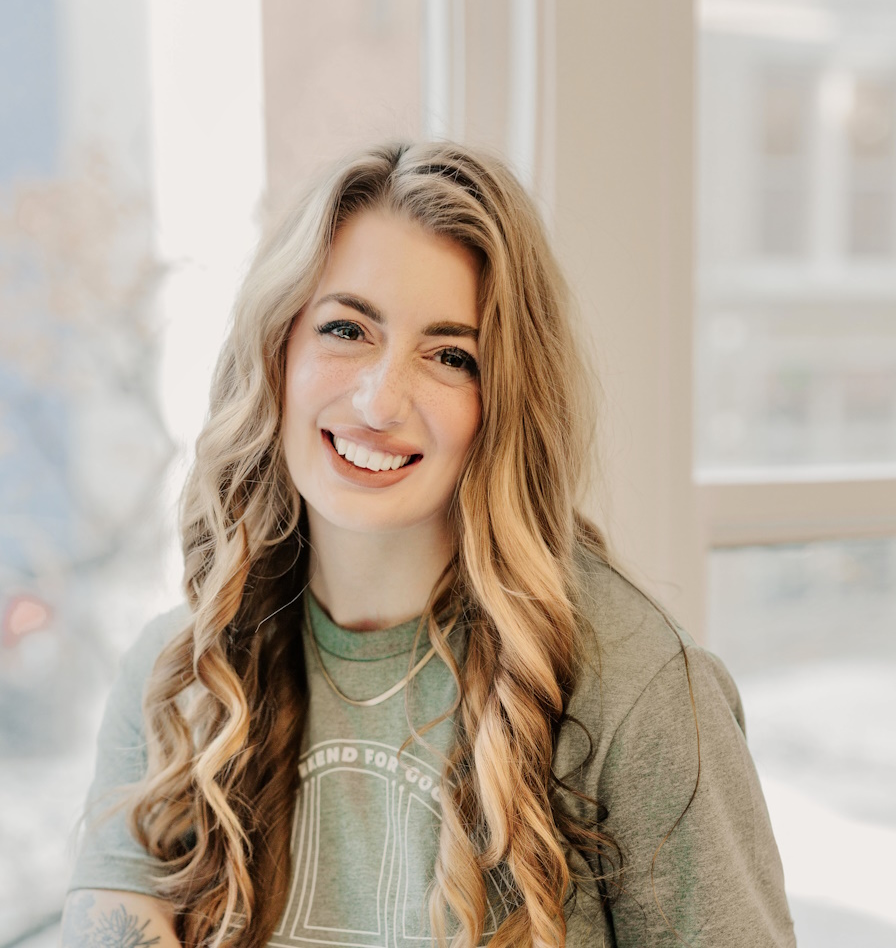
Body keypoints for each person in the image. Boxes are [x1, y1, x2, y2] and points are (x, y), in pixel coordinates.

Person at [62, 141, 796, 948]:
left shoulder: (635, 689)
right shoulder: (182, 677)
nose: (381, 401)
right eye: (346, 329)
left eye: (451, 356)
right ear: (276, 353)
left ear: (505, 401)